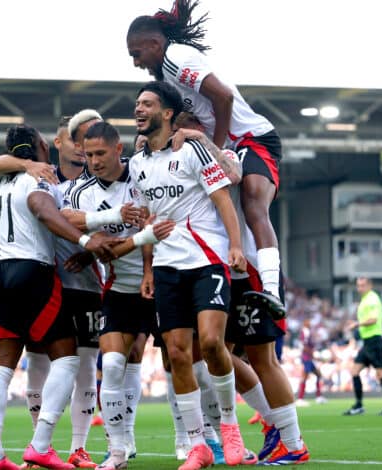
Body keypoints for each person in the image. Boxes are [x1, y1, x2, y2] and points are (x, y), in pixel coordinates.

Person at [126, 0, 287, 322]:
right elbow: (180, 114)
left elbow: (223, 96)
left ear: (154, 44)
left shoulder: (177, 57)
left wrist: (216, 144)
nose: (134, 63)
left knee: (254, 205)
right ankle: (240, 280)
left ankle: (271, 289)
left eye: (136, 54)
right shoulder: (166, 76)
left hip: (251, 138)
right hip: (224, 145)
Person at [0, 124, 119, 470]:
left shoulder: (7, 180)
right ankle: (41, 445)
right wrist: (87, 241)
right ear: (43, 147)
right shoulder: (37, 179)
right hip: (34, 273)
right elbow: (44, 210)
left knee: (0, 368)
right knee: (68, 359)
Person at [173, 114, 308, 465]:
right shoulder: (175, 162)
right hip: (208, 269)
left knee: (263, 358)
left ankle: (293, 444)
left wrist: (201, 141)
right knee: (209, 352)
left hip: (244, 267)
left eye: (191, 124)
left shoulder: (227, 153)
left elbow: (232, 174)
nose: (183, 131)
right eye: (178, 125)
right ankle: (265, 422)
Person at [129, 80, 247, 470]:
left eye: (147, 104)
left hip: (207, 258)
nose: (139, 109)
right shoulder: (137, 163)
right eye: (137, 104)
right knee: (177, 353)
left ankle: (230, 427)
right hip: (165, 266)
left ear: (166, 113)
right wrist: (147, 267)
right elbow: (147, 218)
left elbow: (222, 199)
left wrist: (235, 245)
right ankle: (197, 445)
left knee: (212, 343)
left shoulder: (193, 148)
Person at [65, 121, 175, 470]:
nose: (93, 161)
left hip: (160, 282)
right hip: (117, 289)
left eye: (100, 153)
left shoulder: (141, 177)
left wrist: (146, 270)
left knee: (177, 361)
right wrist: (100, 233)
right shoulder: (83, 190)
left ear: (117, 150)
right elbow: (67, 218)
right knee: (112, 363)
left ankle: (190, 440)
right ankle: (118, 449)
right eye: (88, 154)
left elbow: (151, 227)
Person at [344, 277, 382, 416]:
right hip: (367, 342)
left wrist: (356, 324)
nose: (359, 288)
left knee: (380, 374)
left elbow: (373, 320)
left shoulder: (372, 299)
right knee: (354, 371)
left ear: (369, 285)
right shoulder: (365, 299)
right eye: (358, 285)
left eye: (362, 285)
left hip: (374, 341)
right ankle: (359, 405)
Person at [297, 319, 326, 407]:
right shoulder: (305, 332)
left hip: (309, 358)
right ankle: (300, 399)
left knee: (318, 375)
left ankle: (318, 397)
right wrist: (313, 355)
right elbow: (304, 346)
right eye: (308, 322)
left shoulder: (308, 331)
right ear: (305, 323)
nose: (310, 324)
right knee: (304, 377)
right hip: (307, 358)